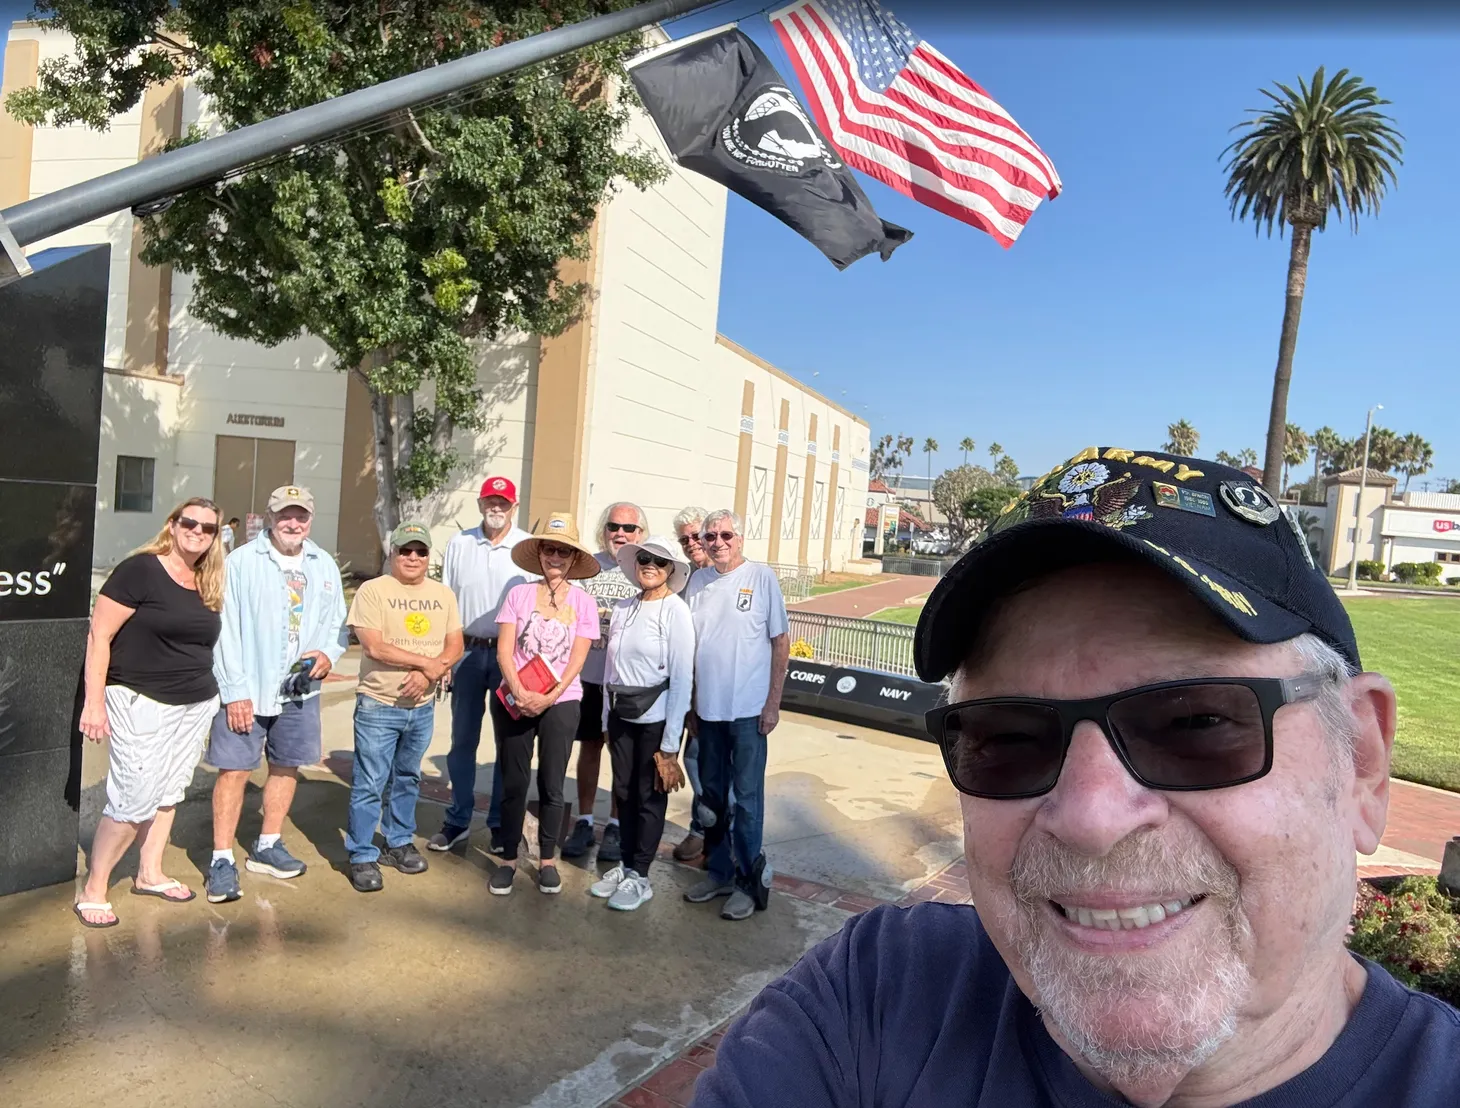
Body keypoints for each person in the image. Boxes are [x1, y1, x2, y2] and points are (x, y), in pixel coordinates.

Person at [691, 447, 1460, 1107]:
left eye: (1194, 724)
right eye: (1009, 738)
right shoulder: (879, 996)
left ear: (1360, 763)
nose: (1091, 817)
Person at [73, 499, 225, 927]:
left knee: (170, 790)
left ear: (216, 536)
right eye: (189, 522)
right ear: (173, 525)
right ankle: (94, 890)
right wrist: (95, 701)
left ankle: (149, 873)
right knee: (134, 795)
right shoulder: (140, 570)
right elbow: (98, 636)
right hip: (139, 699)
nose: (197, 531)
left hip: (195, 701)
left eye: (208, 528)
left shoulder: (206, 579)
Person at [204, 485, 348, 904]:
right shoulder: (242, 562)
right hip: (249, 687)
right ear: (269, 518)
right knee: (234, 770)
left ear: (310, 519)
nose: (293, 523)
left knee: (286, 767)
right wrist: (235, 692)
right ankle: (221, 858)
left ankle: (267, 845)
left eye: (301, 515)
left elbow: (337, 623)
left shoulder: (323, 565)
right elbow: (223, 632)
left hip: (299, 692)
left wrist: (327, 652)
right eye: (285, 515)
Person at [344, 522, 464, 892]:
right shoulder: (373, 591)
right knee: (369, 783)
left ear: (429, 556)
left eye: (421, 551)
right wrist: (426, 665)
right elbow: (374, 647)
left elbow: (455, 645)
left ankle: (398, 842)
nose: (413, 558)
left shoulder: (443, 594)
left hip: (422, 706)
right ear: (392, 553)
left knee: (408, 778)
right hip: (380, 704)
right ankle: (362, 854)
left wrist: (429, 674)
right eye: (405, 550)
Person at [682, 510, 789, 922]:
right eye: (710, 536)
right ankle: (720, 872)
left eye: (726, 534)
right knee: (711, 800)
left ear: (739, 538)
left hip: (747, 713)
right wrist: (691, 704)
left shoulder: (761, 578)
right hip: (707, 714)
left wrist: (772, 703)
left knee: (746, 802)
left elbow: (780, 643)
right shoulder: (697, 582)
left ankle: (748, 879)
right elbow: (692, 647)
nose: (717, 542)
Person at [490, 514, 602, 895]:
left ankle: (547, 860)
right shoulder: (518, 595)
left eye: (564, 551)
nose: (556, 556)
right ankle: (507, 857)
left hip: (562, 700)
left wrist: (550, 696)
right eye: (550, 548)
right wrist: (520, 692)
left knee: (552, 782)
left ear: (573, 558)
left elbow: (577, 660)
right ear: (540, 552)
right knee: (514, 781)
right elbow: (505, 649)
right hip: (515, 697)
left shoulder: (585, 604)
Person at [590, 534, 695, 911]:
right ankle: (625, 865)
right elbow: (610, 670)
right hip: (620, 716)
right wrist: (605, 718)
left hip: (656, 717)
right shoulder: (623, 607)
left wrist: (670, 745)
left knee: (649, 797)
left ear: (670, 570)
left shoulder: (675, 611)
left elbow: (683, 678)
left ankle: (642, 875)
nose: (650, 565)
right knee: (623, 793)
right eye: (645, 558)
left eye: (659, 561)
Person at [431, 476, 534, 857]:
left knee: (509, 744)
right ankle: (458, 819)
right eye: (490, 500)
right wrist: (445, 658)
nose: (496, 507)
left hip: (513, 657)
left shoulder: (525, 547)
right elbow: (446, 600)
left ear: (514, 506)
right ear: (479, 504)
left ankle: (498, 824)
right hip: (468, 654)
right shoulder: (460, 544)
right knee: (462, 741)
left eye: (503, 502)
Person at [561, 501, 648, 862]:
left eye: (629, 528)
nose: (620, 534)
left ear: (640, 533)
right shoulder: (587, 567)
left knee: (621, 753)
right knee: (590, 746)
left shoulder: (645, 566)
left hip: (624, 680)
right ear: (604, 529)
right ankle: (583, 821)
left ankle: (615, 823)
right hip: (586, 674)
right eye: (614, 526)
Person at [671, 506, 715, 864]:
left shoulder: (725, 576)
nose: (691, 543)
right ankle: (702, 830)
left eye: (696, 535)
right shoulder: (685, 580)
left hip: (722, 691)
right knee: (694, 761)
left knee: (708, 764)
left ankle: (712, 833)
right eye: (684, 538)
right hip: (688, 690)